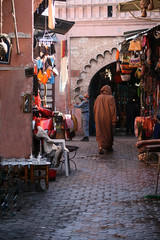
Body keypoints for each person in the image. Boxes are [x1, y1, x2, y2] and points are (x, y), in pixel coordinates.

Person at [94, 85, 117, 154]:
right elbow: (112, 110)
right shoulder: (110, 98)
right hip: (107, 118)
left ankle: (100, 147)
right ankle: (108, 146)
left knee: (100, 132)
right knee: (108, 132)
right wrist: (114, 120)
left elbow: (94, 108)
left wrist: (95, 117)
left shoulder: (98, 97)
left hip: (98, 117)